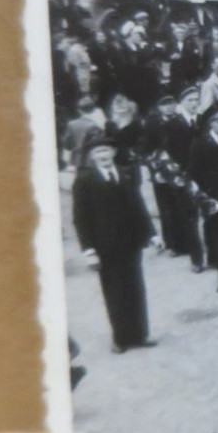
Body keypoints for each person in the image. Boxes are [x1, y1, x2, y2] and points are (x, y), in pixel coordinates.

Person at [71, 133, 156, 353]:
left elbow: (138, 206)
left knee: (135, 288)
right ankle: (121, 338)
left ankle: (140, 335)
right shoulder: (84, 181)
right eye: (98, 152)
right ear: (92, 156)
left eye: (106, 151)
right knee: (114, 292)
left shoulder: (126, 174)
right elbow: (81, 219)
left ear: (114, 152)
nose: (103, 155)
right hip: (105, 247)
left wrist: (152, 234)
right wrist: (89, 250)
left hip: (131, 244)